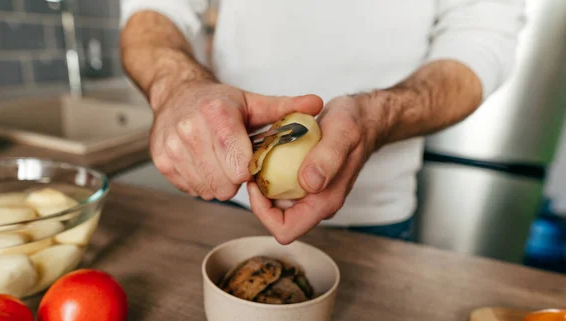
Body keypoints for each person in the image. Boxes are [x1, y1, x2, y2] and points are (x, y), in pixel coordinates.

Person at [119, 0, 525, 244]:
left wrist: (380, 116)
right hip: (221, 196)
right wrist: (177, 87)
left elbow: (481, 37)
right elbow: (153, 10)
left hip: (376, 217)